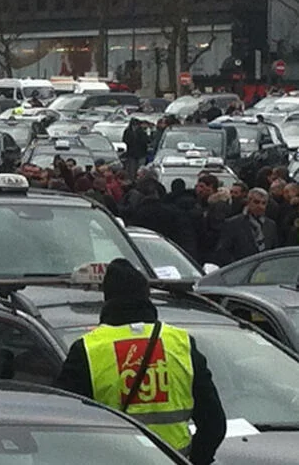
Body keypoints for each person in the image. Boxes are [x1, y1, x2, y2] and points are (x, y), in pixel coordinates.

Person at [56, 259, 226, 463]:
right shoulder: (181, 343)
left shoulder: (88, 349)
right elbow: (214, 424)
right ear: (146, 296)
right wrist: (195, 460)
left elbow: (66, 424)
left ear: (108, 298)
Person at [214, 188, 279, 265]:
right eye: (256, 202)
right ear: (248, 202)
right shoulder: (233, 223)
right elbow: (223, 251)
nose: (260, 206)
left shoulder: (271, 225)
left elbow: (274, 250)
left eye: (263, 203)